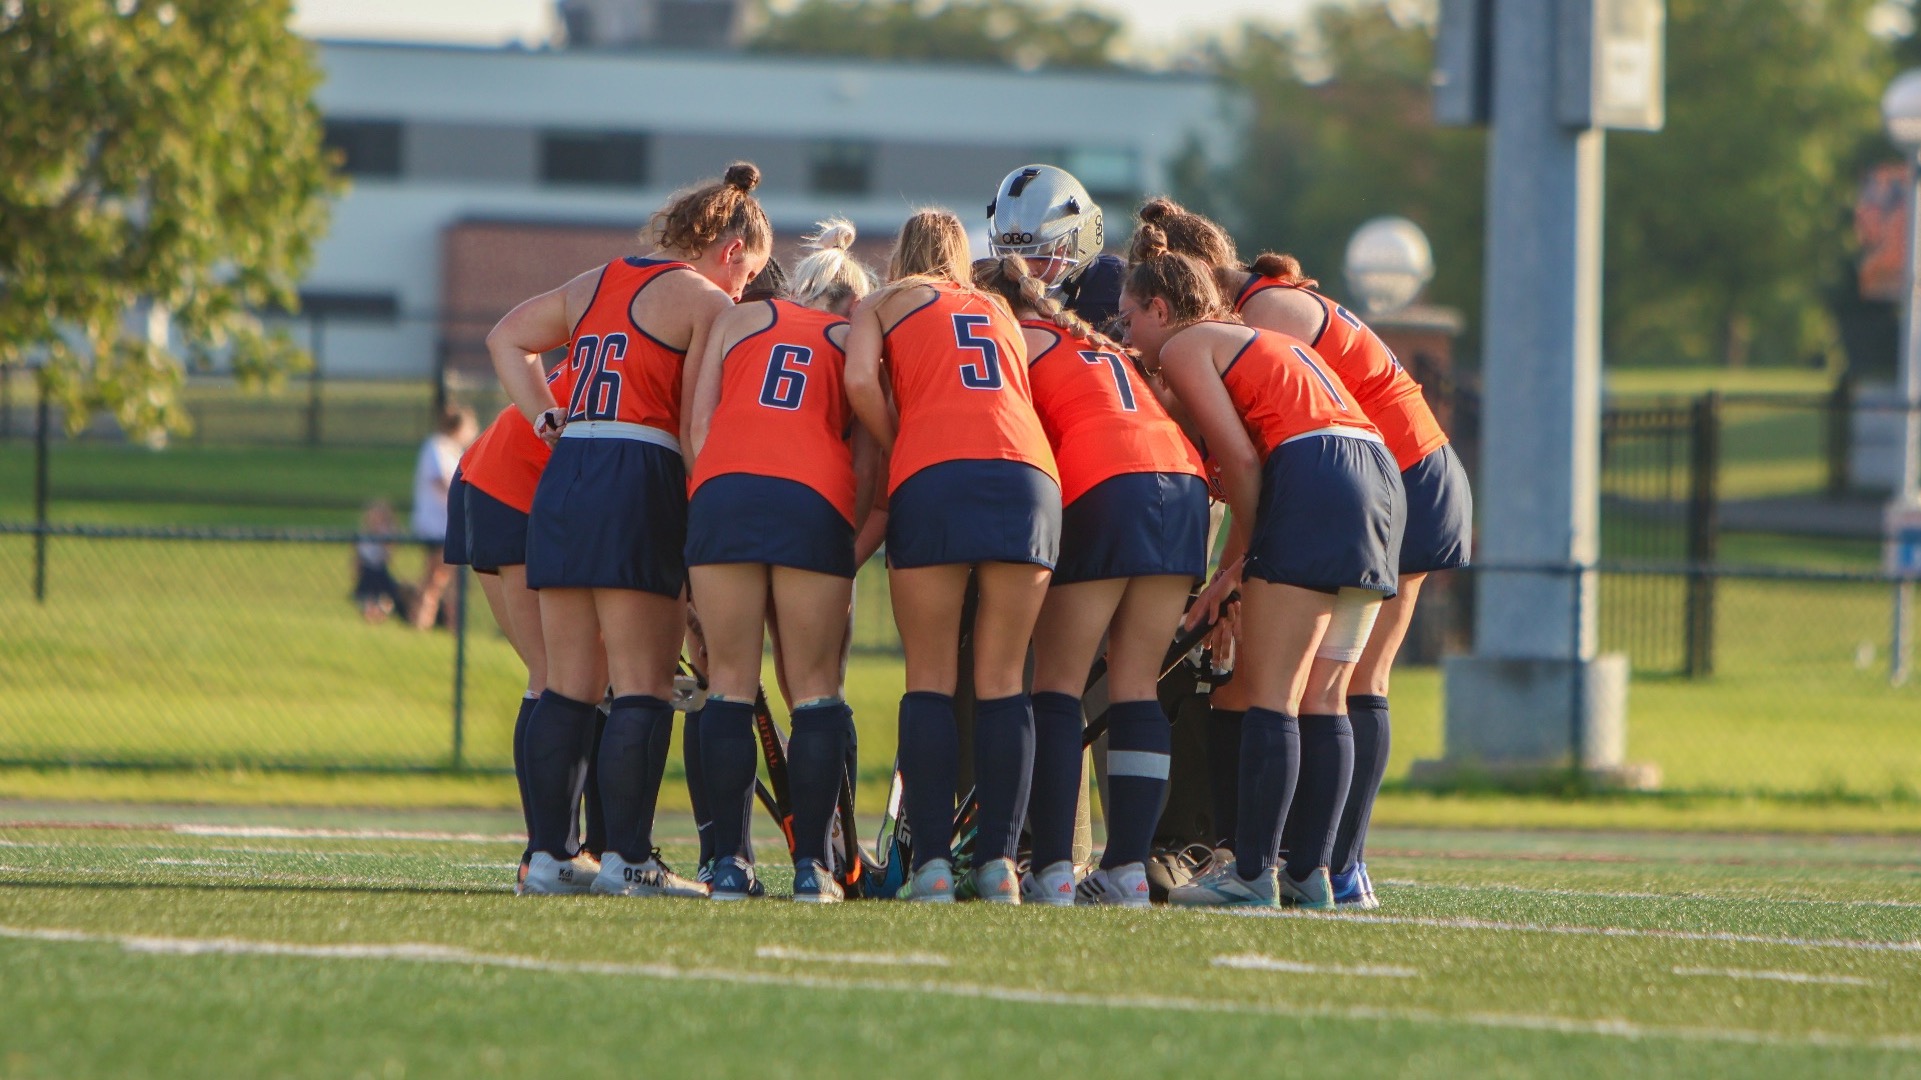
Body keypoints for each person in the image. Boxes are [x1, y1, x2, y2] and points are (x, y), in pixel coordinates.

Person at [1137, 198, 1471, 908]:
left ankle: (1261, 869)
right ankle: (1319, 870)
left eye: (1136, 313)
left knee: (1286, 689)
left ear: (1175, 289)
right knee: (1332, 689)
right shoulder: (1268, 315)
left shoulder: (1232, 327)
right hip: (1381, 471)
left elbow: (1252, 460)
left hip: (1368, 475)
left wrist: (1232, 573)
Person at [487, 161, 771, 897]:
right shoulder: (707, 301)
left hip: (568, 473)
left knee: (569, 685)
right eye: (749, 276)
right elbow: (695, 425)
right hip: (636, 471)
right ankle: (630, 859)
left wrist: (544, 412)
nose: (744, 294)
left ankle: (549, 856)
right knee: (643, 686)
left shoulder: (595, 280)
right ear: (731, 249)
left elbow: (506, 336)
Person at [971, 255, 1208, 909]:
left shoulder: (1008, 338)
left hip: (1105, 481)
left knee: (1057, 686)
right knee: (1134, 687)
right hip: (1182, 484)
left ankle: (1051, 866)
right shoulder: (1091, 336)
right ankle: (1128, 869)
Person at [844, 208, 1061, 904]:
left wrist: (902, 434)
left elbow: (855, 384)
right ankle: (998, 865)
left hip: (936, 472)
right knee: (1003, 680)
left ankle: (932, 863)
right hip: (1028, 475)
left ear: (901, 253)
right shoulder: (996, 306)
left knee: (930, 678)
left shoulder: (879, 301)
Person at [683, 220, 880, 902]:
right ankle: (813, 867)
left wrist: (710, 498)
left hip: (724, 492)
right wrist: (833, 534)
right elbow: (864, 460)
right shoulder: (855, 340)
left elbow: (698, 427)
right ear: (851, 299)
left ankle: (731, 865)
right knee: (817, 692)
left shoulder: (741, 320)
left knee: (729, 686)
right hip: (812, 500)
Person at [988, 164, 1127, 326]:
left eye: (1043, 256)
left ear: (1080, 242)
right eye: (1012, 256)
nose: (1027, 269)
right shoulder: (986, 288)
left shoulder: (1119, 287)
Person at [411, 405, 478, 630]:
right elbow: (443, 481)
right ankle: (420, 624)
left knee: (452, 584)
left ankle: (452, 628)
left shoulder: (452, 450)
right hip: (437, 526)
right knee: (435, 580)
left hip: (449, 526)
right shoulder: (436, 447)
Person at [352, 499, 406, 623]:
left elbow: (388, 554)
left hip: (379, 569)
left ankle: (381, 612)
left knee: (386, 595)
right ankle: (370, 613)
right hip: (367, 569)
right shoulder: (363, 534)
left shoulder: (386, 535)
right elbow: (357, 557)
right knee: (367, 596)